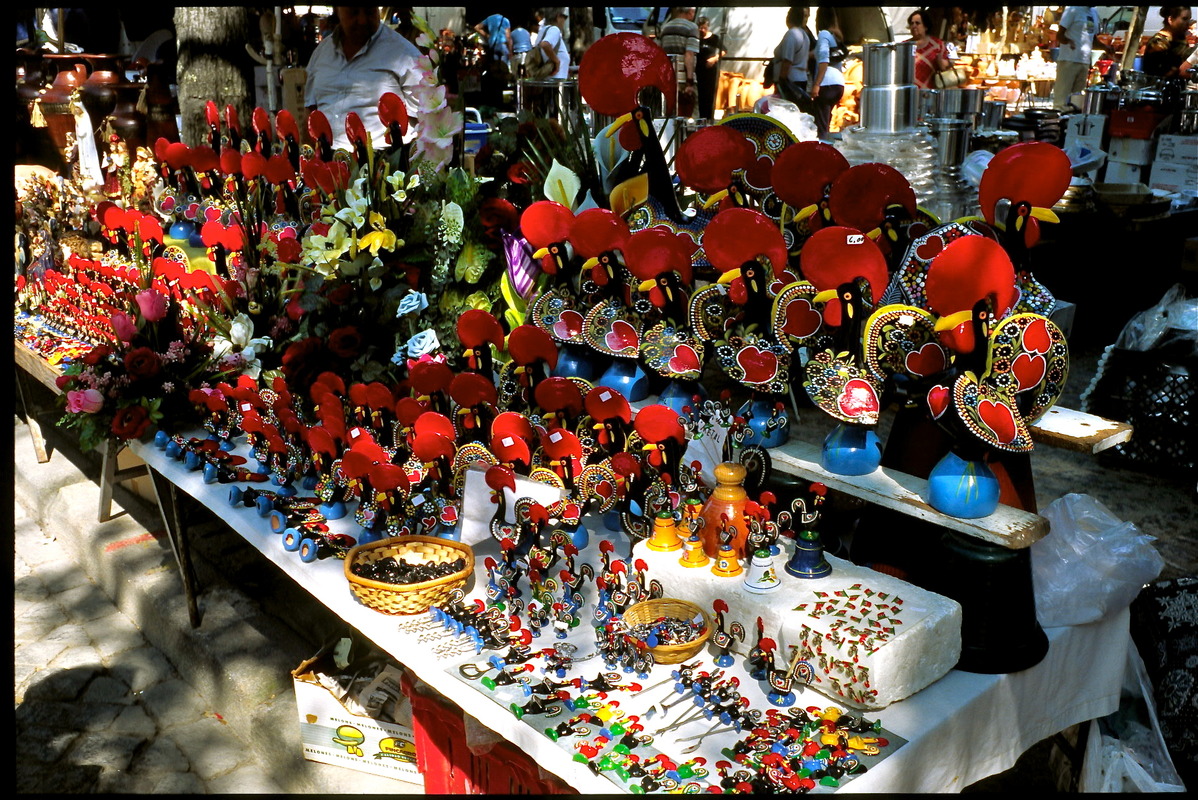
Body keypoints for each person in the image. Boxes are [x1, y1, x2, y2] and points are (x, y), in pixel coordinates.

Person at [304, 6, 424, 152]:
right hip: (329, 161)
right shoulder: (321, 53)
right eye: (353, 11)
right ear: (338, 10)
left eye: (369, 11)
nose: (362, 20)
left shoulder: (404, 54)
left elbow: (426, 118)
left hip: (385, 163)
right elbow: (310, 110)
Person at [1052, 7, 1100, 110]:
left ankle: (1072, 123)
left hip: (1084, 61)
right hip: (1068, 60)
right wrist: (1068, 41)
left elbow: (1093, 39)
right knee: (1061, 102)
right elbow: (1059, 35)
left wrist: (1106, 48)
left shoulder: (1094, 12)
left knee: (1077, 102)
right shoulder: (1072, 9)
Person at [810, 7, 846, 143]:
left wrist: (816, 84)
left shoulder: (824, 34)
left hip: (827, 84)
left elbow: (824, 60)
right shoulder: (836, 36)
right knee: (826, 120)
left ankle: (822, 152)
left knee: (821, 127)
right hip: (838, 83)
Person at [660, 7, 701, 114]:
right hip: (683, 79)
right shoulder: (692, 28)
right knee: (691, 117)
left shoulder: (665, 27)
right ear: (690, 12)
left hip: (669, 79)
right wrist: (690, 82)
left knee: (671, 115)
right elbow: (689, 54)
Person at [774, 6, 815, 111]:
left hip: (790, 81)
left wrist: (782, 80)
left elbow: (787, 60)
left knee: (788, 111)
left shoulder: (792, 34)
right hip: (801, 78)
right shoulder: (805, 35)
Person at [1142, 6, 1195, 77]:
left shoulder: (1179, 38)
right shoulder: (1158, 43)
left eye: (1189, 19)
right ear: (1171, 19)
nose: (1188, 23)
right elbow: (1160, 74)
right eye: (1184, 19)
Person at [908, 8, 951, 89]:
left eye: (917, 23)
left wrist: (940, 62)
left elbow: (945, 69)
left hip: (930, 93)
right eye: (912, 23)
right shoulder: (905, 45)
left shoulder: (937, 45)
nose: (914, 26)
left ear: (926, 27)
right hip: (909, 92)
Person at [696, 15, 725, 120]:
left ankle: (709, 117)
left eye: (704, 28)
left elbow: (723, 50)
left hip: (711, 71)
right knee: (700, 94)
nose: (702, 30)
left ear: (707, 27)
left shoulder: (714, 38)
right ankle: (701, 117)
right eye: (700, 28)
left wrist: (714, 59)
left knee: (710, 94)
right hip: (699, 70)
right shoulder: (695, 38)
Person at [533, 7, 570, 80]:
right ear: (558, 17)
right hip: (555, 82)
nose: (565, 20)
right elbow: (545, 44)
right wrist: (557, 61)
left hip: (546, 80)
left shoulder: (543, 31)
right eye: (564, 17)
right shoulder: (554, 29)